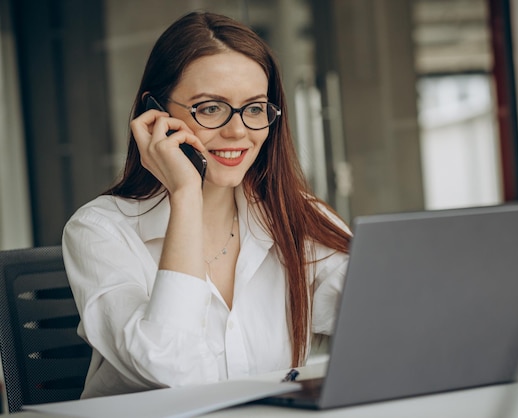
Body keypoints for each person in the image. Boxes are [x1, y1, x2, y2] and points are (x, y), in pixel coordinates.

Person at [62, 10, 351, 398]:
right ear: (156, 114)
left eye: (254, 109)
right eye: (210, 108)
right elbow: (171, 371)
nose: (237, 132)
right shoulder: (98, 230)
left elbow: (383, 314)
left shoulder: (295, 216)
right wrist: (185, 196)